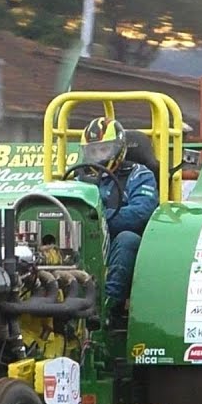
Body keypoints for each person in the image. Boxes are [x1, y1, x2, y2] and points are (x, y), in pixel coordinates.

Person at [79, 117, 159, 316]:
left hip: (120, 245)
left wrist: (97, 219)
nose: (98, 156)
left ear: (119, 148)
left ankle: (106, 307)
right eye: (93, 151)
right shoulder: (77, 178)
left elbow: (141, 213)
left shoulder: (139, 174)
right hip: (84, 243)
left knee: (127, 239)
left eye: (104, 149)